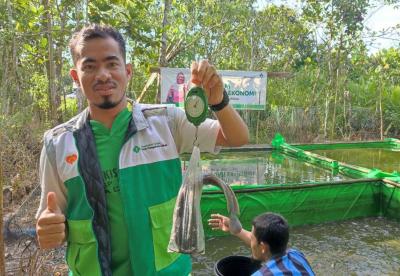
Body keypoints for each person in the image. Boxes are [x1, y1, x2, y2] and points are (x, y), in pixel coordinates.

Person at [35, 24, 249, 276]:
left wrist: (218, 101)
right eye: (90, 66)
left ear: (127, 72)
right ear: (75, 76)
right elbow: (49, 218)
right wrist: (48, 230)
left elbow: (237, 137)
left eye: (112, 64)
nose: (103, 75)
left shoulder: (166, 121)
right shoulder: (58, 143)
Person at [209, 212, 315, 276]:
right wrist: (237, 231)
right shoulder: (297, 255)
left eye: (252, 238)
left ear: (263, 247)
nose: (251, 243)